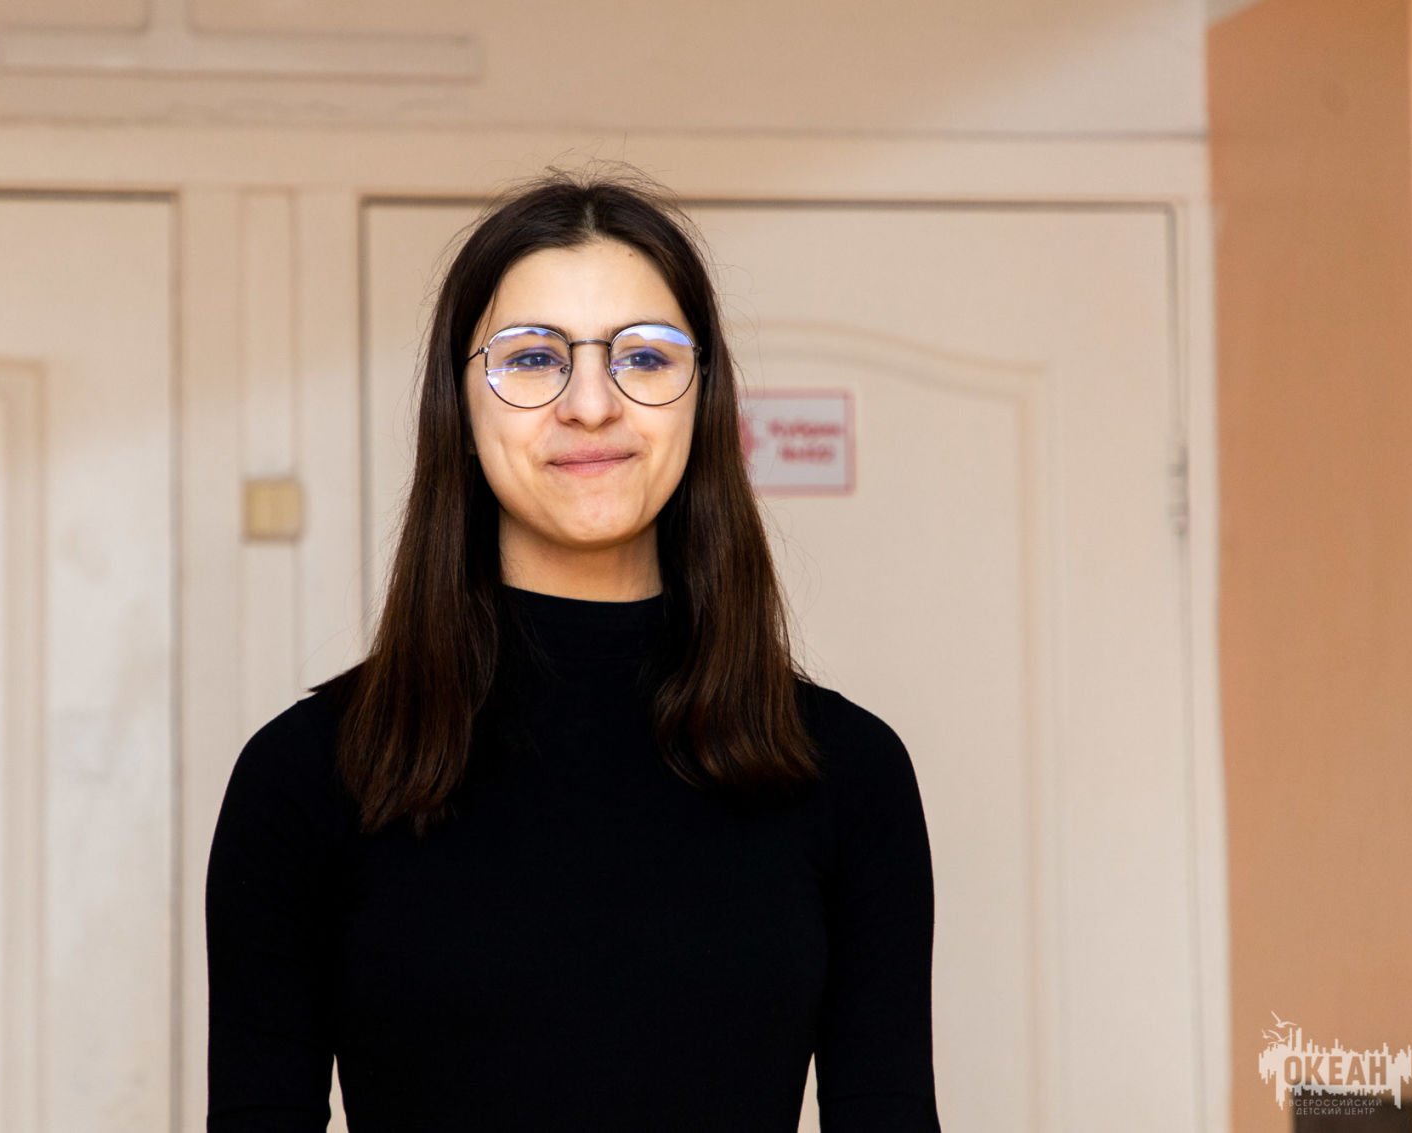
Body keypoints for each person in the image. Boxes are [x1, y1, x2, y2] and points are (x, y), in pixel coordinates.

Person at [204, 168, 941, 1132]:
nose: (591, 403)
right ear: (460, 407)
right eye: (531, 357)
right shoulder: (302, 776)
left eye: (645, 356)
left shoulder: (849, 773)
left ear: (702, 398)